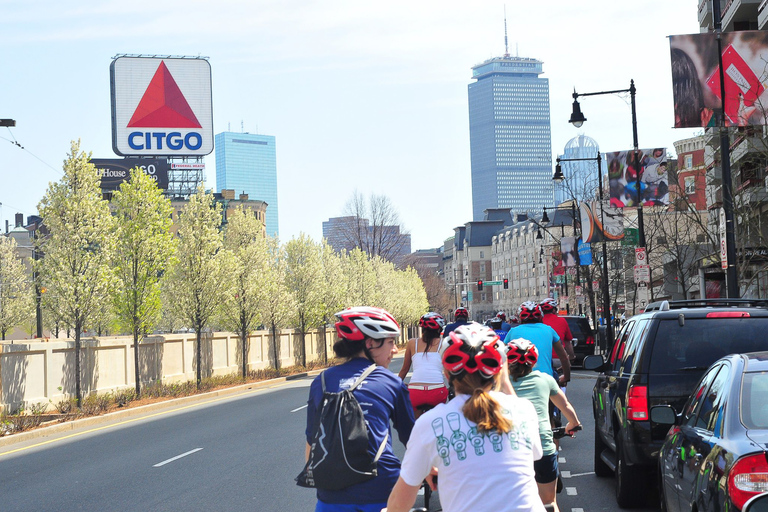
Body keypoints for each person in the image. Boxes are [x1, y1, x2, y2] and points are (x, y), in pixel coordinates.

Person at [385, 323, 545, 512]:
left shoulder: (430, 423)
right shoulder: (523, 409)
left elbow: (400, 501)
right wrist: (503, 379)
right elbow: (536, 454)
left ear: (446, 373)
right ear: (499, 372)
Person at [304, 306, 415, 512]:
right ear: (370, 343)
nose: (395, 350)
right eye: (390, 342)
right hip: (381, 489)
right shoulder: (391, 382)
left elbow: (312, 445)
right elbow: (414, 442)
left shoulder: (321, 382)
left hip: (331, 493)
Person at [507, 338, 581, 512]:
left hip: (510, 451)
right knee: (549, 502)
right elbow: (565, 406)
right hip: (542, 448)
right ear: (534, 360)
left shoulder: (499, 382)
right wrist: (574, 423)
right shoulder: (545, 379)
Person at [504, 302, 571, 387]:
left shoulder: (513, 331)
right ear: (541, 315)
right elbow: (564, 357)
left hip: (518, 379)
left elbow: (502, 356)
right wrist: (566, 377)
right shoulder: (549, 330)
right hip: (545, 380)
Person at [399, 312, 449, 418]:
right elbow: (450, 370)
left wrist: (396, 386)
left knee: (415, 427)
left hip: (415, 392)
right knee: (438, 424)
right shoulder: (444, 343)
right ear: (439, 329)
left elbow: (404, 369)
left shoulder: (412, 343)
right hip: (437, 391)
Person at [539, 298, 576, 369]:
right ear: (553, 310)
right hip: (558, 358)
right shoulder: (562, 321)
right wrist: (571, 356)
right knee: (562, 376)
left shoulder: (539, 322)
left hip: (542, 359)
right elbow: (567, 343)